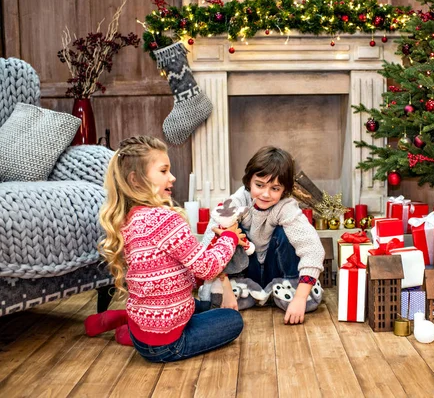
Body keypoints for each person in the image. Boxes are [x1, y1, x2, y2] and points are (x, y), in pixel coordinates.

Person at [84, 136, 245, 363]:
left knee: (205, 305)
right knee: (232, 320)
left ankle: (120, 321)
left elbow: (178, 270)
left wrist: (213, 243)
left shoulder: (130, 218)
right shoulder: (165, 219)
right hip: (168, 345)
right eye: (164, 171)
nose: (172, 177)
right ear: (136, 180)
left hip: (146, 330)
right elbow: (207, 269)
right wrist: (229, 237)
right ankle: (125, 325)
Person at [202, 146, 325, 325]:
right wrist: (226, 287)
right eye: (259, 185)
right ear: (249, 181)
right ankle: (240, 287)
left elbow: (313, 249)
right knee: (228, 230)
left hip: (277, 270)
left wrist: (299, 298)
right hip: (245, 272)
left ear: (284, 190)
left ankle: (290, 285)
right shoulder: (237, 201)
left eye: (275, 188)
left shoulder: (286, 206)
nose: (266, 194)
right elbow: (210, 244)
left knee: (285, 232)